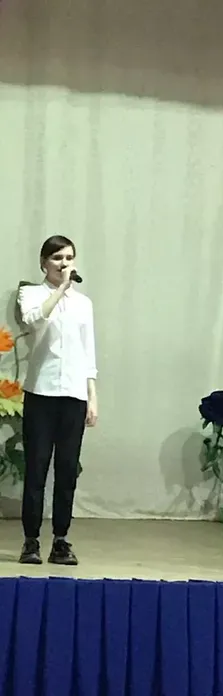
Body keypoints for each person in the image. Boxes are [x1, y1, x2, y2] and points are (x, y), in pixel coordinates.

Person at [16, 236, 98, 565]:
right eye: (57, 258)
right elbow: (35, 320)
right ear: (43, 263)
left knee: (67, 471)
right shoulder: (31, 294)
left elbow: (88, 352)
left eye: (69, 258)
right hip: (41, 393)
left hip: (74, 395)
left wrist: (92, 397)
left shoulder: (84, 304)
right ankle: (31, 540)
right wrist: (61, 290)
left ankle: (61, 540)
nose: (64, 264)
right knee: (36, 468)